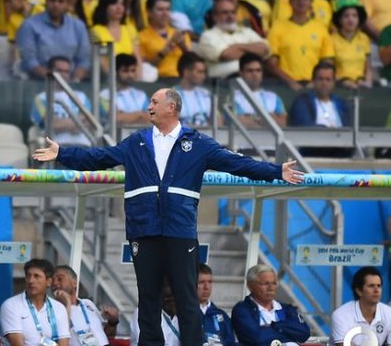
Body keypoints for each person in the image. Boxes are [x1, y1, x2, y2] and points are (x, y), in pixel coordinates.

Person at [32, 88, 304, 346]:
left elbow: (237, 163)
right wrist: (62, 153)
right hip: (143, 229)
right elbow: (99, 157)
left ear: (171, 107)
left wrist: (275, 171)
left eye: (154, 102)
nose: (148, 106)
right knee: (148, 296)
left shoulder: (198, 143)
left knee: (186, 297)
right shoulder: (136, 141)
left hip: (180, 230)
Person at [17, 0, 91, 81]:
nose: (56, 5)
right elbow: (29, 62)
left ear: (67, 4)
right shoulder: (29, 25)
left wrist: (74, 81)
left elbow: (84, 61)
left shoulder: (78, 26)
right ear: (46, 1)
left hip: (71, 84)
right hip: (38, 83)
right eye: (52, 0)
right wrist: (55, 80)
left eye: (61, 1)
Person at [267, 0, 334, 90]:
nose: (301, 2)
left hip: (314, 86)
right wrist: (290, 82)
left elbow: (327, 60)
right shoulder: (277, 27)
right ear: (290, 2)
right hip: (285, 85)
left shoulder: (320, 28)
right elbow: (271, 63)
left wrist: (315, 81)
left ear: (311, 2)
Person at [232, 265, 310, 345]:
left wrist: (274, 326)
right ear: (250, 285)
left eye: (274, 283)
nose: (271, 288)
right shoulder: (242, 310)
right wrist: (287, 333)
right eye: (266, 284)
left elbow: (304, 334)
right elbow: (258, 339)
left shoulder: (285, 309)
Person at [0, 258, 70, 346]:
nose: (31, 281)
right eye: (28, 276)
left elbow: (64, 343)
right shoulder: (11, 305)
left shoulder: (59, 308)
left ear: (48, 282)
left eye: (36, 276)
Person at [196, 0, 269, 79]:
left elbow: (264, 49)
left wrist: (237, 46)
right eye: (225, 13)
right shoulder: (208, 36)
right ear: (215, 17)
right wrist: (253, 50)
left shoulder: (247, 31)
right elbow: (226, 55)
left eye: (233, 12)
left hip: (253, 78)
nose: (230, 16)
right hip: (223, 81)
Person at [30, 56, 92, 147]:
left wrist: (63, 123)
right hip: (55, 148)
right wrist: (77, 123)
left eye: (66, 71)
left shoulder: (81, 96)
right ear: (50, 72)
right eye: (59, 71)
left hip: (83, 147)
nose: (63, 74)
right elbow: (52, 125)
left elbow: (89, 123)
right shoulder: (41, 98)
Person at [51, 265, 120, 346]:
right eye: (52, 281)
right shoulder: (52, 310)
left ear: (74, 283)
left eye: (60, 279)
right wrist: (67, 303)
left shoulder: (87, 303)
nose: (55, 283)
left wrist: (112, 322)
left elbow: (107, 335)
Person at [331, 266, 391, 346]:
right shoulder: (341, 315)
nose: (377, 290)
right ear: (359, 291)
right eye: (371, 286)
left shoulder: (389, 313)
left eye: (379, 286)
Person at [139, 0, 192, 79]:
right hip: (157, 80)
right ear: (149, 12)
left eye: (167, 9)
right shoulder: (141, 37)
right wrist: (164, 51)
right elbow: (144, 67)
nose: (165, 13)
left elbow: (193, 63)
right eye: (160, 10)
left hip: (182, 80)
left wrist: (183, 46)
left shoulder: (179, 34)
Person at [288, 61, 350, 128]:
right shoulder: (303, 102)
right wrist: (327, 130)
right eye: (320, 79)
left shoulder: (341, 104)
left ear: (334, 83)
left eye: (328, 79)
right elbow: (304, 125)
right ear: (313, 81)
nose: (324, 83)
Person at [90, 0, 140, 72]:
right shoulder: (95, 31)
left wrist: (137, 77)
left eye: (122, 4)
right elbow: (101, 62)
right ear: (105, 7)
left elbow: (138, 59)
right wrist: (115, 78)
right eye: (114, 3)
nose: (119, 7)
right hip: (108, 77)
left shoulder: (131, 29)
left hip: (130, 76)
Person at [234, 52, 287, 128]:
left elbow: (282, 123)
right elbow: (238, 122)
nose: (255, 74)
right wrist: (269, 118)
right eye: (250, 71)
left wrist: (251, 117)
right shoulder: (234, 97)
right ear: (241, 73)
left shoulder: (274, 97)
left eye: (258, 70)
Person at [330, 0, 372, 89]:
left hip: (361, 84)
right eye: (346, 16)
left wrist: (368, 82)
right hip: (340, 86)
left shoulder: (364, 38)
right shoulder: (331, 40)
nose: (351, 19)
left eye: (354, 16)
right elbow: (329, 70)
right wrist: (343, 82)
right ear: (339, 19)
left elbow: (368, 68)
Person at [100, 54, 150, 126]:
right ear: (115, 72)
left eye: (133, 71)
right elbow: (116, 118)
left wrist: (125, 116)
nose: (130, 75)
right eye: (125, 71)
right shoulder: (104, 95)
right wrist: (140, 115)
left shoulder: (141, 95)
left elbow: (150, 118)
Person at [130, 279, 179, 346]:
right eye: (164, 286)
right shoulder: (143, 312)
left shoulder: (189, 315)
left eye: (172, 285)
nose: (168, 291)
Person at [196, 263, 236, 346]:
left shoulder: (221, 315)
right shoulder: (184, 313)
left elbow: (231, 342)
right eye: (201, 282)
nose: (206, 287)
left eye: (209, 282)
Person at [173, 52, 215, 128]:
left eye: (204, 72)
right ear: (186, 72)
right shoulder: (170, 96)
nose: (203, 76)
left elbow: (217, 122)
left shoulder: (206, 94)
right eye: (199, 72)